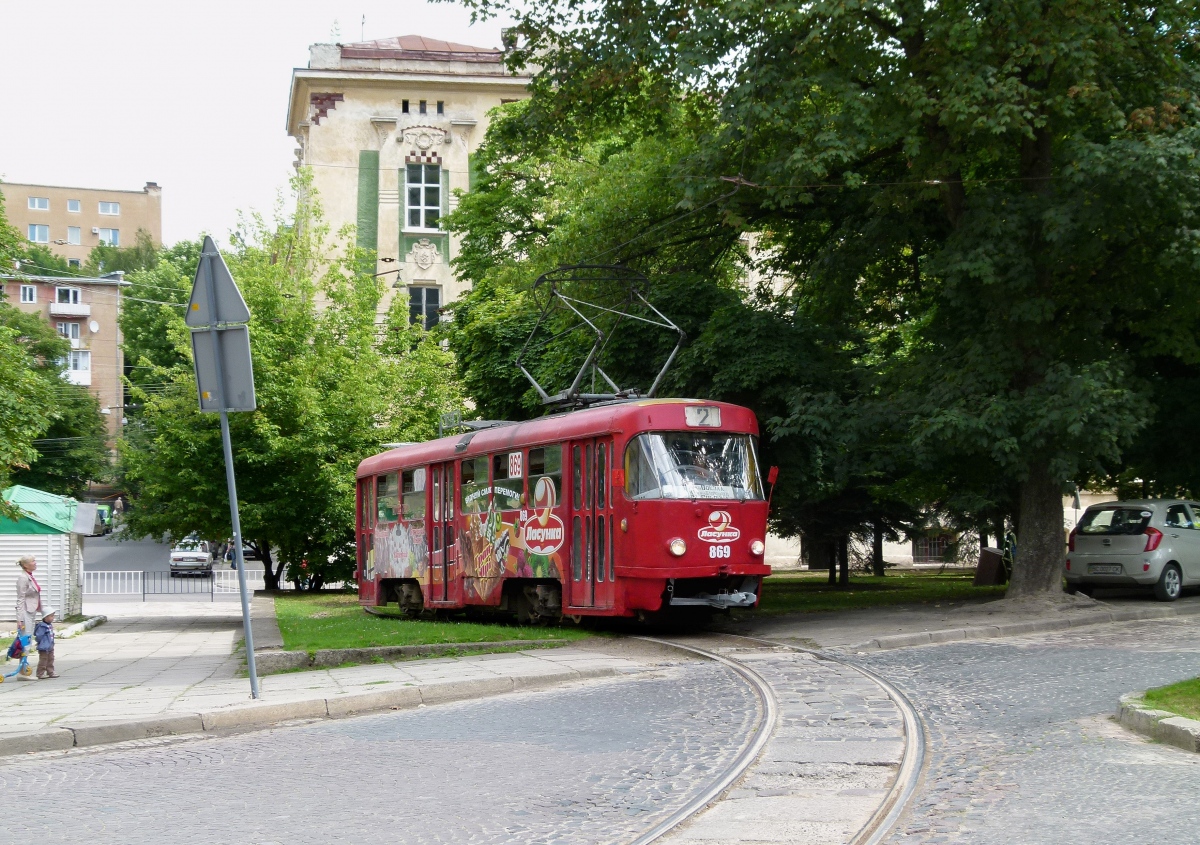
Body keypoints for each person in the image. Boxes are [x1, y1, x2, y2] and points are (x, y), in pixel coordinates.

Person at [14, 556, 41, 635]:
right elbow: (20, 598)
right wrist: (20, 619)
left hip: (32, 610)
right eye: (33, 561)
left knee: (29, 635)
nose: (35, 563)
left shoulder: (30, 576)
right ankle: (24, 648)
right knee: (25, 636)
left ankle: (27, 647)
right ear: (25, 565)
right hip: (25, 611)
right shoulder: (23, 578)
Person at [34, 607, 56, 679]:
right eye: (51, 616)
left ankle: (50, 672)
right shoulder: (42, 626)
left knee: (51, 659)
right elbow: (39, 636)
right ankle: (40, 673)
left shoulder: (49, 625)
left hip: (50, 646)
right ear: (46, 617)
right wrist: (40, 642)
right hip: (43, 647)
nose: (53, 618)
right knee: (43, 660)